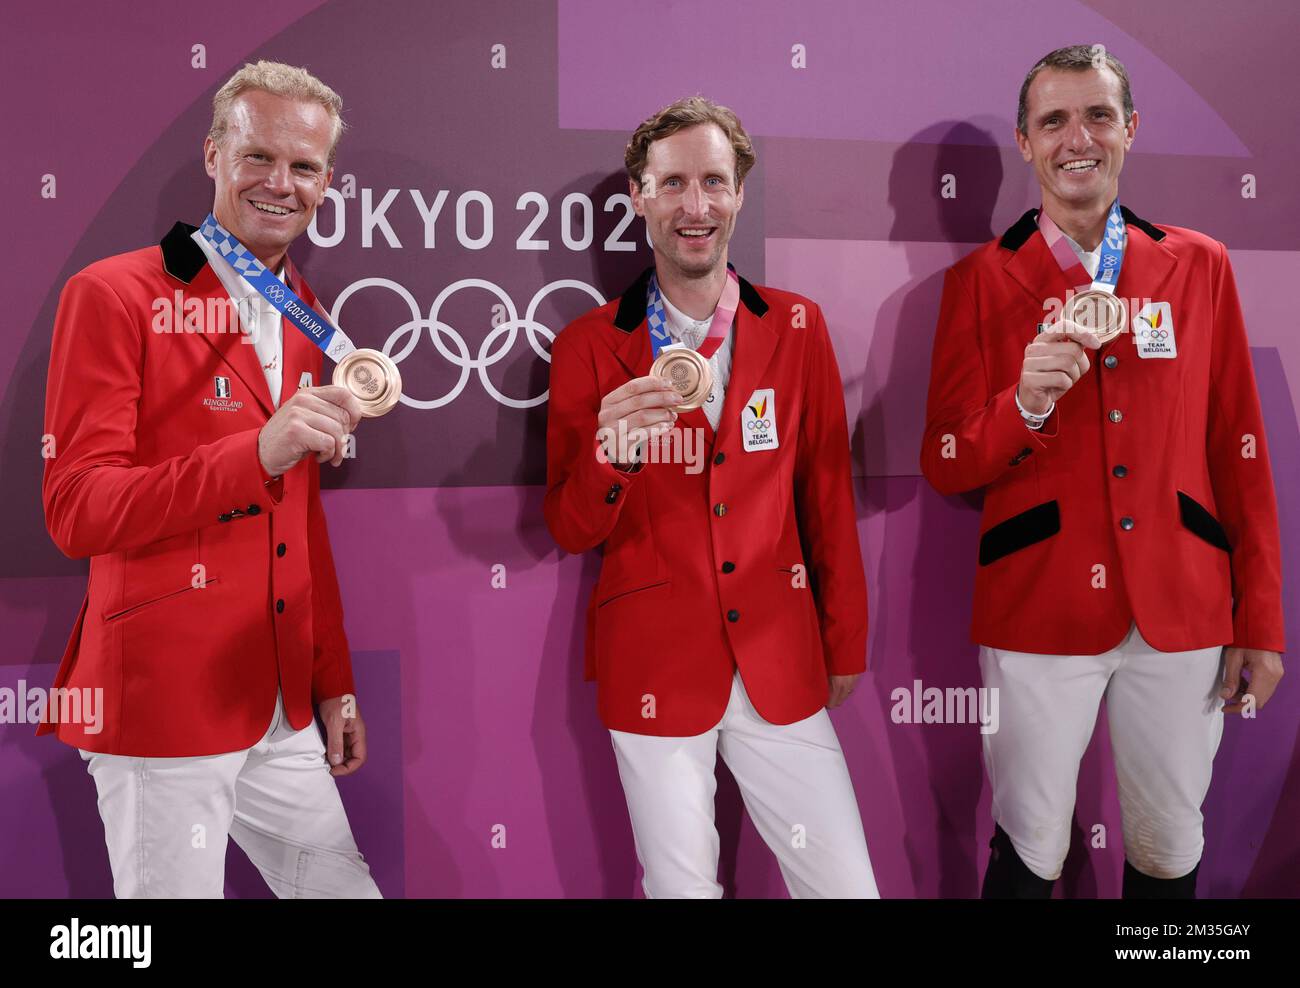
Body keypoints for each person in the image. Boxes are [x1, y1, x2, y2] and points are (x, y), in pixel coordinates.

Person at [920, 45, 1285, 898]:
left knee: (1168, 846)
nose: (1076, 138)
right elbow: (945, 459)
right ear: (1024, 141)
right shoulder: (977, 280)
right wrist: (1024, 408)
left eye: (1096, 116)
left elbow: (1240, 448)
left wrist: (1260, 619)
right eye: (1053, 121)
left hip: (1184, 607)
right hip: (1037, 606)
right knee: (1031, 848)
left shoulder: (1200, 265)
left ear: (1129, 130)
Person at [41, 60, 381, 899]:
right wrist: (253, 454)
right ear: (212, 156)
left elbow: (300, 520)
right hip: (162, 699)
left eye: (303, 167)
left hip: (277, 703)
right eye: (257, 156)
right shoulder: (113, 293)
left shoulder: (309, 315)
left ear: (327, 181)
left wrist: (330, 680)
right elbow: (77, 509)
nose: (280, 183)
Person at [544, 96, 878, 898]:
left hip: (779, 653)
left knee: (845, 887)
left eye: (715, 183)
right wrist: (612, 457)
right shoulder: (590, 344)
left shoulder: (798, 326)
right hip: (654, 658)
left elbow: (826, 494)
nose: (696, 207)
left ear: (738, 194)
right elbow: (570, 526)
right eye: (674, 184)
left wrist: (844, 639)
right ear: (640, 195)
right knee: (681, 889)